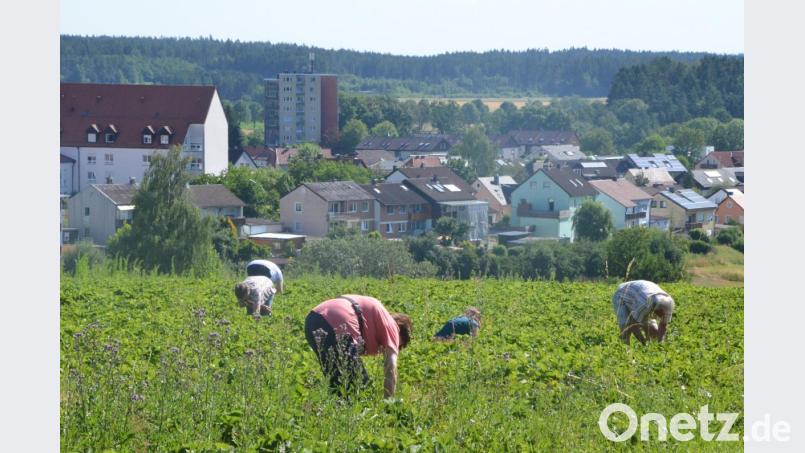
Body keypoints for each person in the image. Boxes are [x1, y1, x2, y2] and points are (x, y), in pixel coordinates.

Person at [304, 295, 412, 397]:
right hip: (339, 322)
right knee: (360, 392)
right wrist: (389, 402)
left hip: (313, 319)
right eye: (398, 345)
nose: (383, 350)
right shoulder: (392, 326)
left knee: (339, 386)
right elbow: (391, 366)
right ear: (400, 333)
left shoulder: (378, 316)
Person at [612, 280, 675, 345]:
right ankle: (625, 349)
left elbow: (663, 325)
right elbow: (633, 325)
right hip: (622, 294)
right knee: (626, 328)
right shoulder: (644, 304)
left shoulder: (669, 304)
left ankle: (653, 349)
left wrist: (660, 344)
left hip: (642, 295)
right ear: (655, 308)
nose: (662, 315)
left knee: (653, 331)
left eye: (664, 312)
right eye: (660, 312)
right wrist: (643, 343)